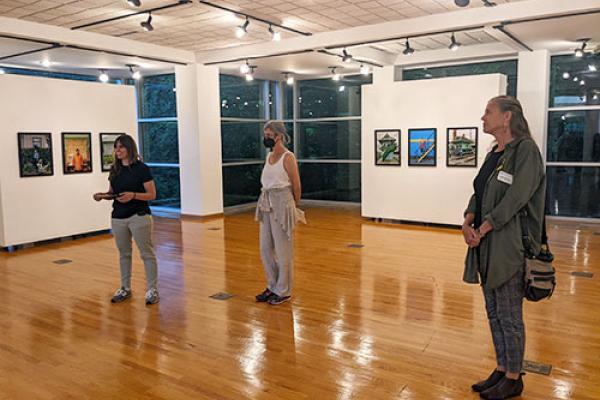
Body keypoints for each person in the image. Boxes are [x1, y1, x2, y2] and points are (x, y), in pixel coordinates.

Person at [462, 96, 546, 400]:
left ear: (508, 117)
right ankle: (501, 367)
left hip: (508, 245)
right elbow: (479, 192)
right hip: (485, 245)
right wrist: (468, 221)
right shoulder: (493, 154)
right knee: (494, 312)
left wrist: (483, 228)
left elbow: (516, 198)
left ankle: (514, 377)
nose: (483, 117)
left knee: (509, 314)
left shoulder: (525, 152)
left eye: (488, 112)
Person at [92, 134, 159, 305]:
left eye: (121, 147)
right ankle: (125, 288)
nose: (118, 150)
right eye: (116, 147)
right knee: (124, 254)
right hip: (118, 217)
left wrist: (133, 195)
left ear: (130, 148)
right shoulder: (115, 170)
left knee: (146, 254)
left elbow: (152, 194)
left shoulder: (142, 168)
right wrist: (103, 196)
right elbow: (113, 193)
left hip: (139, 216)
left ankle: (152, 290)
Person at [255, 121, 303, 306]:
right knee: (265, 249)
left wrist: (292, 206)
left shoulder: (288, 157)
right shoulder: (269, 157)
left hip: (282, 203)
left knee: (283, 251)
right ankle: (272, 285)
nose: (266, 138)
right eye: (265, 134)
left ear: (279, 136)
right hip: (266, 203)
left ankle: (283, 290)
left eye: (269, 135)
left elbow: (296, 186)